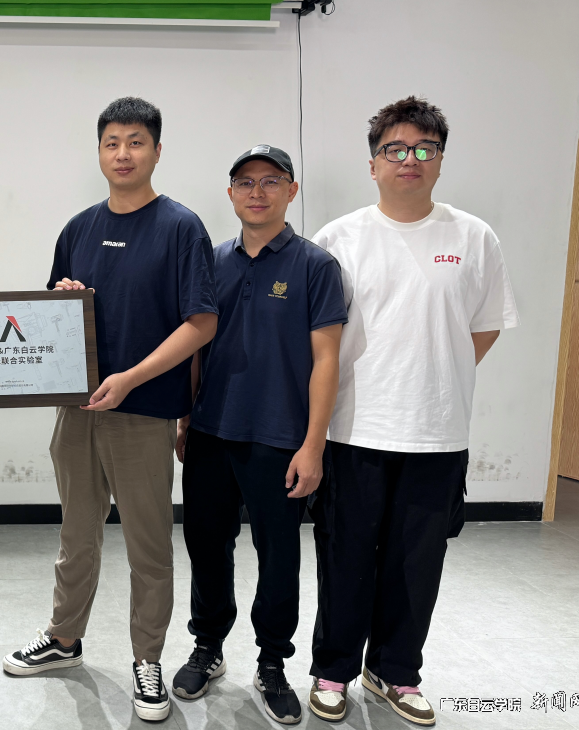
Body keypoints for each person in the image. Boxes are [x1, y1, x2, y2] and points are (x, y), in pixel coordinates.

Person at [1, 97, 218, 723]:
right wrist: (63, 297)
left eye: (136, 142)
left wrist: (131, 379)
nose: (123, 154)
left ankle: (147, 659)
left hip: (143, 411)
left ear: (157, 150)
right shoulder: (78, 228)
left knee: (148, 546)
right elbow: (50, 316)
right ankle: (64, 638)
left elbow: (200, 323)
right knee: (76, 534)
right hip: (78, 410)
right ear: (99, 151)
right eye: (112, 143)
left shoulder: (181, 228)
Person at [307, 97, 519, 726]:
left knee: (416, 563)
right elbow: (317, 339)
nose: (410, 159)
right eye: (395, 149)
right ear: (373, 163)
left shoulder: (474, 237)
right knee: (345, 557)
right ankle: (333, 668)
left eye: (425, 149)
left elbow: (484, 326)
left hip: (438, 433)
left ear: (440, 161)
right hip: (354, 429)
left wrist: (436, 374)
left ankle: (394, 671)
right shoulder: (338, 239)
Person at [173, 145, 345, 725]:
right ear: (230, 193)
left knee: (278, 556)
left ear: (291, 191)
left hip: (279, 438)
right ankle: (208, 645)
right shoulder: (211, 261)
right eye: (245, 182)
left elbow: (326, 361)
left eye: (271, 181)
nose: (257, 192)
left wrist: (313, 445)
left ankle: (272, 662)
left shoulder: (315, 266)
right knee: (206, 545)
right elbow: (197, 345)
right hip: (211, 430)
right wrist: (187, 418)